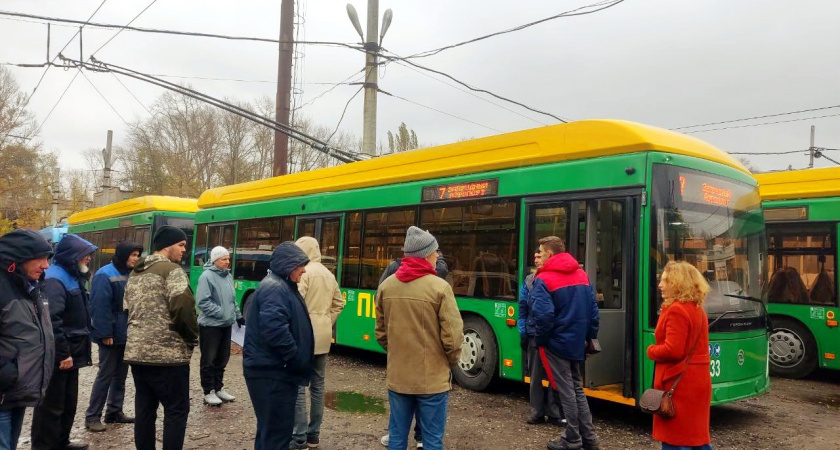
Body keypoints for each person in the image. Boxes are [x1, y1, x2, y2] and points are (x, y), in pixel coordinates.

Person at [375, 226, 464, 450]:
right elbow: (453, 338)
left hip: (398, 377)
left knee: (396, 438)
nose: (437, 256)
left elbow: (381, 333)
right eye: (436, 252)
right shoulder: (441, 288)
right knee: (432, 440)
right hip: (432, 381)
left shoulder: (387, 286)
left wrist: (398, 354)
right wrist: (448, 361)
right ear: (426, 254)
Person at [124, 226, 198, 450]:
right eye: (181, 245)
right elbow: (183, 308)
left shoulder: (135, 273)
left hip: (138, 353)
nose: (185, 250)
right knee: (176, 411)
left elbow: (127, 308)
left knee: (145, 409)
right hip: (168, 356)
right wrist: (191, 338)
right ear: (167, 246)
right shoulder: (172, 270)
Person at [530, 236, 600, 450]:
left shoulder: (544, 279)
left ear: (550, 254)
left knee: (566, 390)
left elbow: (543, 317)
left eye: (540, 252)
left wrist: (541, 340)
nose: (538, 256)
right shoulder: (582, 275)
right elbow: (593, 312)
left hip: (556, 343)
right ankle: (589, 437)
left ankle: (572, 437)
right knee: (577, 388)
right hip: (577, 342)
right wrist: (589, 338)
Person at [243, 242, 313, 450]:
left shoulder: (278, 285)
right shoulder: (275, 288)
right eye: (301, 265)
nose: (304, 269)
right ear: (289, 265)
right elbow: (275, 331)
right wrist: (295, 359)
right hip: (273, 374)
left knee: (269, 432)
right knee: (276, 436)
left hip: (272, 372)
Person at [31, 234, 97, 450]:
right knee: (52, 406)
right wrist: (63, 353)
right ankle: (45, 446)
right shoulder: (55, 279)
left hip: (72, 351)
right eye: (85, 254)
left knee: (67, 403)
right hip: (62, 354)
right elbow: (53, 320)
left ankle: (61, 442)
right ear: (72, 256)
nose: (88, 258)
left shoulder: (70, 275)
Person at [647, 261, 712, 450]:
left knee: (676, 440)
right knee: (696, 438)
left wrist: (650, 350)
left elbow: (673, 350)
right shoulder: (697, 308)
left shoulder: (676, 309)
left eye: (665, 281)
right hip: (696, 381)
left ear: (678, 283)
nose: (660, 285)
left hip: (679, 383)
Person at [0, 230, 55, 450]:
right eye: (40, 258)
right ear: (19, 258)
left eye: (48, 258)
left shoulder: (32, 286)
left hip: (17, 390)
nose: (46, 265)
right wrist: (5, 372)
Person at [291, 237, 345, 450]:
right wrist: (325, 321)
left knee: (298, 385)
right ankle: (314, 435)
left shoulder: (304, 272)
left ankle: (300, 437)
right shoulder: (328, 274)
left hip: (303, 336)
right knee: (318, 386)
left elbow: (296, 302)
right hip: (323, 336)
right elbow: (338, 304)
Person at [85, 240, 143, 432]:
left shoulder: (131, 274)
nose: (136, 258)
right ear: (123, 255)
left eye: (137, 255)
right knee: (105, 375)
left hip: (125, 333)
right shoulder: (105, 274)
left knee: (120, 375)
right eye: (133, 255)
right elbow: (100, 307)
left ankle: (114, 411)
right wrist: (104, 333)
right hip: (111, 334)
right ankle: (93, 416)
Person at [518, 249, 563, 426]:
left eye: (539, 256)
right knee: (535, 376)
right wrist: (523, 332)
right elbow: (522, 308)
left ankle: (554, 412)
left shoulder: (553, 279)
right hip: (533, 334)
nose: (536, 259)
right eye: (535, 256)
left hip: (551, 334)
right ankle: (537, 411)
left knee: (553, 375)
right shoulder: (529, 280)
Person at [196, 246, 242, 407]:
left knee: (222, 358)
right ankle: (208, 391)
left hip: (226, 324)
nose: (227, 261)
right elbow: (203, 301)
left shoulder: (228, 276)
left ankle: (218, 387)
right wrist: (222, 313)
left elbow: (232, 300)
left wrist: (238, 315)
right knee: (209, 359)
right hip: (211, 326)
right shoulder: (206, 277)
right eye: (224, 259)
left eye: (228, 258)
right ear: (215, 260)